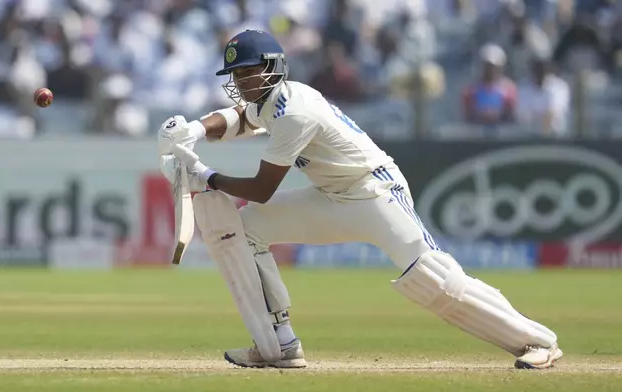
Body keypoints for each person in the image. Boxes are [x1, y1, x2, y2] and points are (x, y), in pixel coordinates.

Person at [157, 29, 562, 370]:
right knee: (247, 229)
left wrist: (207, 176)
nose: (243, 82)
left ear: (272, 67)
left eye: (248, 72)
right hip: (332, 196)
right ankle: (279, 345)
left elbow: (263, 188)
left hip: (375, 193)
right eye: (237, 75)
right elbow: (241, 117)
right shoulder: (270, 102)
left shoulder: (295, 109)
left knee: (435, 280)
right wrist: (194, 129)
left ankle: (537, 341)